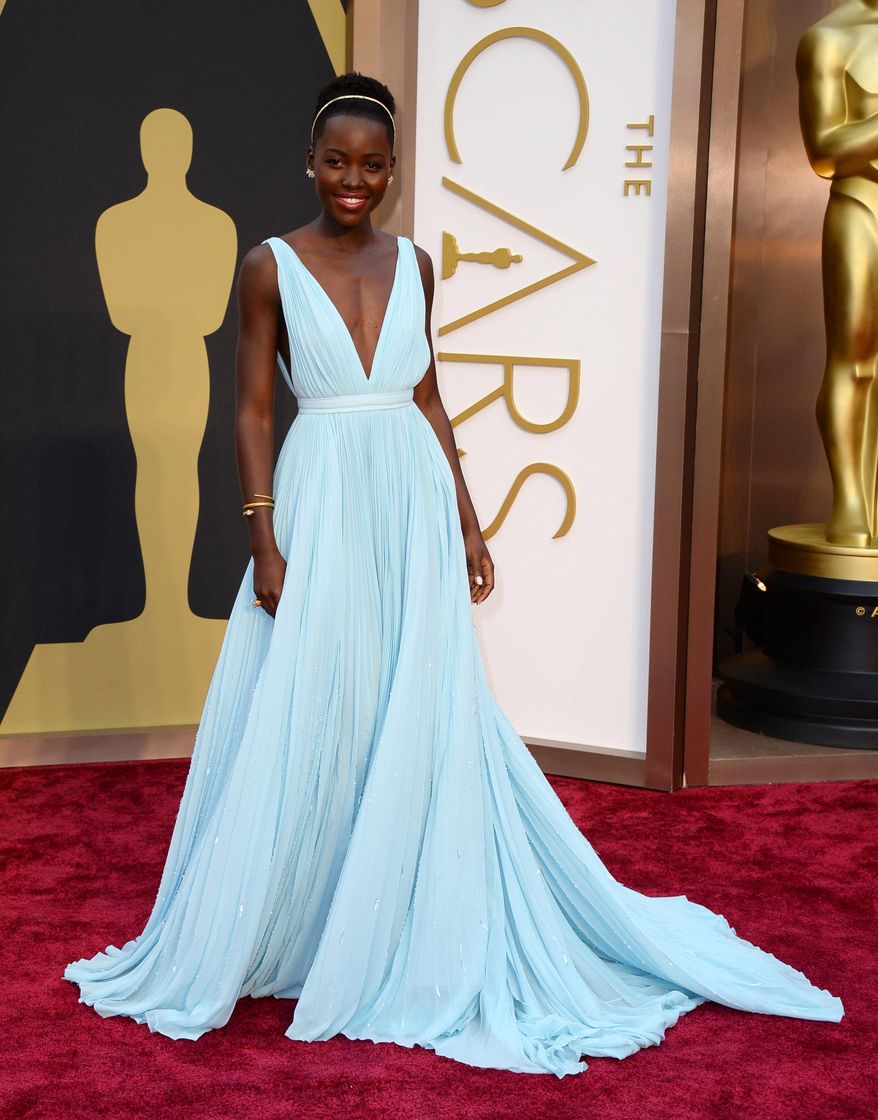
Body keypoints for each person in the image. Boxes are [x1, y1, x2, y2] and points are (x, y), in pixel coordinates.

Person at [64, 72, 844, 1078]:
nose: (354, 179)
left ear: (393, 171)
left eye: (372, 164)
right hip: (322, 500)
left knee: (410, 705)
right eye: (336, 161)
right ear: (310, 164)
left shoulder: (416, 264)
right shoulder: (266, 266)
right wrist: (263, 541)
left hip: (407, 504)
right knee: (308, 705)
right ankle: (303, 920)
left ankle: (387, 910)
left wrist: (469, 522)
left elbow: (427, 396)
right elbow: (253, 411)